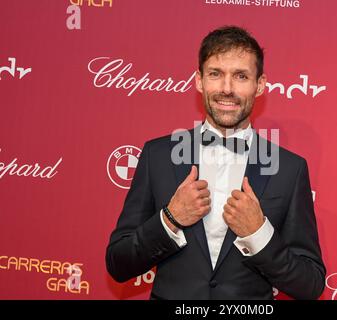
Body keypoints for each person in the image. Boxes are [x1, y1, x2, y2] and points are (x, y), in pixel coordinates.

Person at [106, 25, 325, 300]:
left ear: (260, 85)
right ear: (199, 80)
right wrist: (170, 219)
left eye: (241, 76)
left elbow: (310, 285)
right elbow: (118, 264)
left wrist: (258, 234)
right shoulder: (157, 155)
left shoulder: (289, 169)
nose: (226, 89)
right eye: (215, 74)